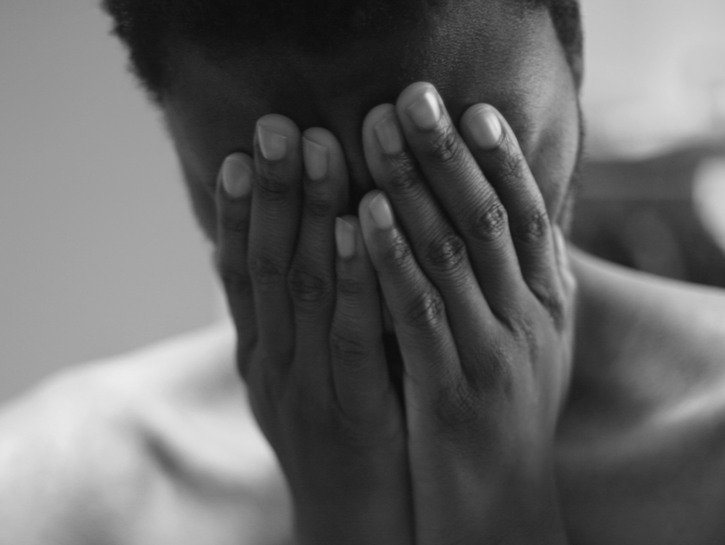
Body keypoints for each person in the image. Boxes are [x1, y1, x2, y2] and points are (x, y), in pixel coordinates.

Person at [2, 0, 725, 543]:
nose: (385, 276)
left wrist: (496, 502)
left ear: (573, 54)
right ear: (175, 139)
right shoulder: (59, 487)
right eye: (288, 199)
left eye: (453, 173)